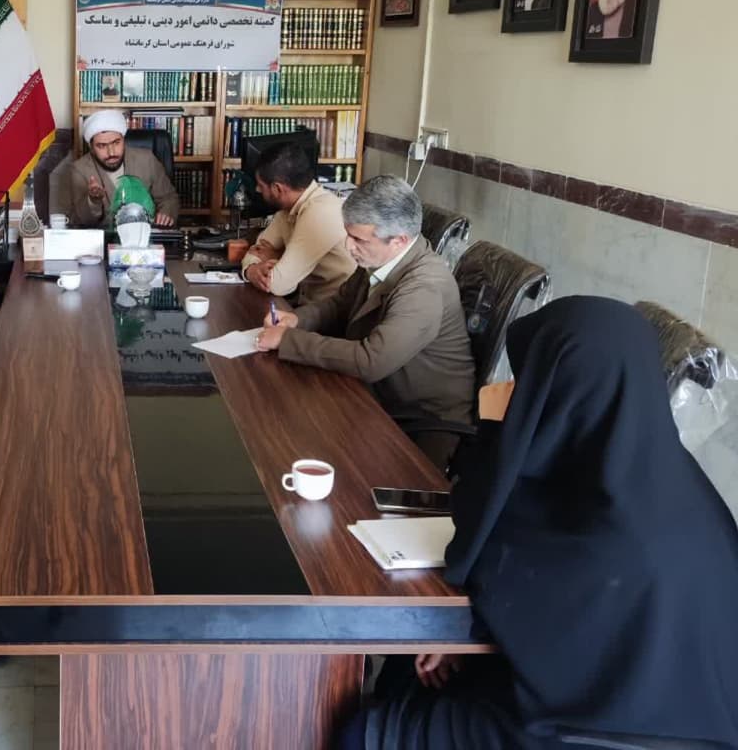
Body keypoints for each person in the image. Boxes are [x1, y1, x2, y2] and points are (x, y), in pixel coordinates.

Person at [341, 298, 738, 750]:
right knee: (407, 673)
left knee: (363, 731)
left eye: (530, 379)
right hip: (654, 706)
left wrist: (495, 430)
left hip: (597, 732)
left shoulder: (600, 530)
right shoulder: (667, 481)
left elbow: (478, 543)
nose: (516, 390)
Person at [255, 175, 474, 440]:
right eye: (348, 234)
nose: (349, 246)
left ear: (399, 240)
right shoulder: (381, 258)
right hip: (377, 394)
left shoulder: (424, 288)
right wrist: (296, 320)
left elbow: (371, 361)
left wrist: (288, 340)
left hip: (420, 422)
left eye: (358, 239)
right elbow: (340, 305)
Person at [239, 141, 355, 302]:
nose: (257, 190)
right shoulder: (287, 209)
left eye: (260, 185)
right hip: (303, 304)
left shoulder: (320, 213)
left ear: (277, 189)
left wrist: (278, 257)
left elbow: (277, 284)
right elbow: (257, 250)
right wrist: (251, 270)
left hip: (331, 312)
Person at [59, 109, 179, 229]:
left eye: (116, 143)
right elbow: (79, 221)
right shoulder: (79, 170)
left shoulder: (147, 160)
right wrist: (93, 201)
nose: (111, 153)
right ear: (91, 147)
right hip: (106, 238)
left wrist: (166, 212)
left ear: (123, 139)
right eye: (102, 146)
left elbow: (169, 198)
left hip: (146, 235)